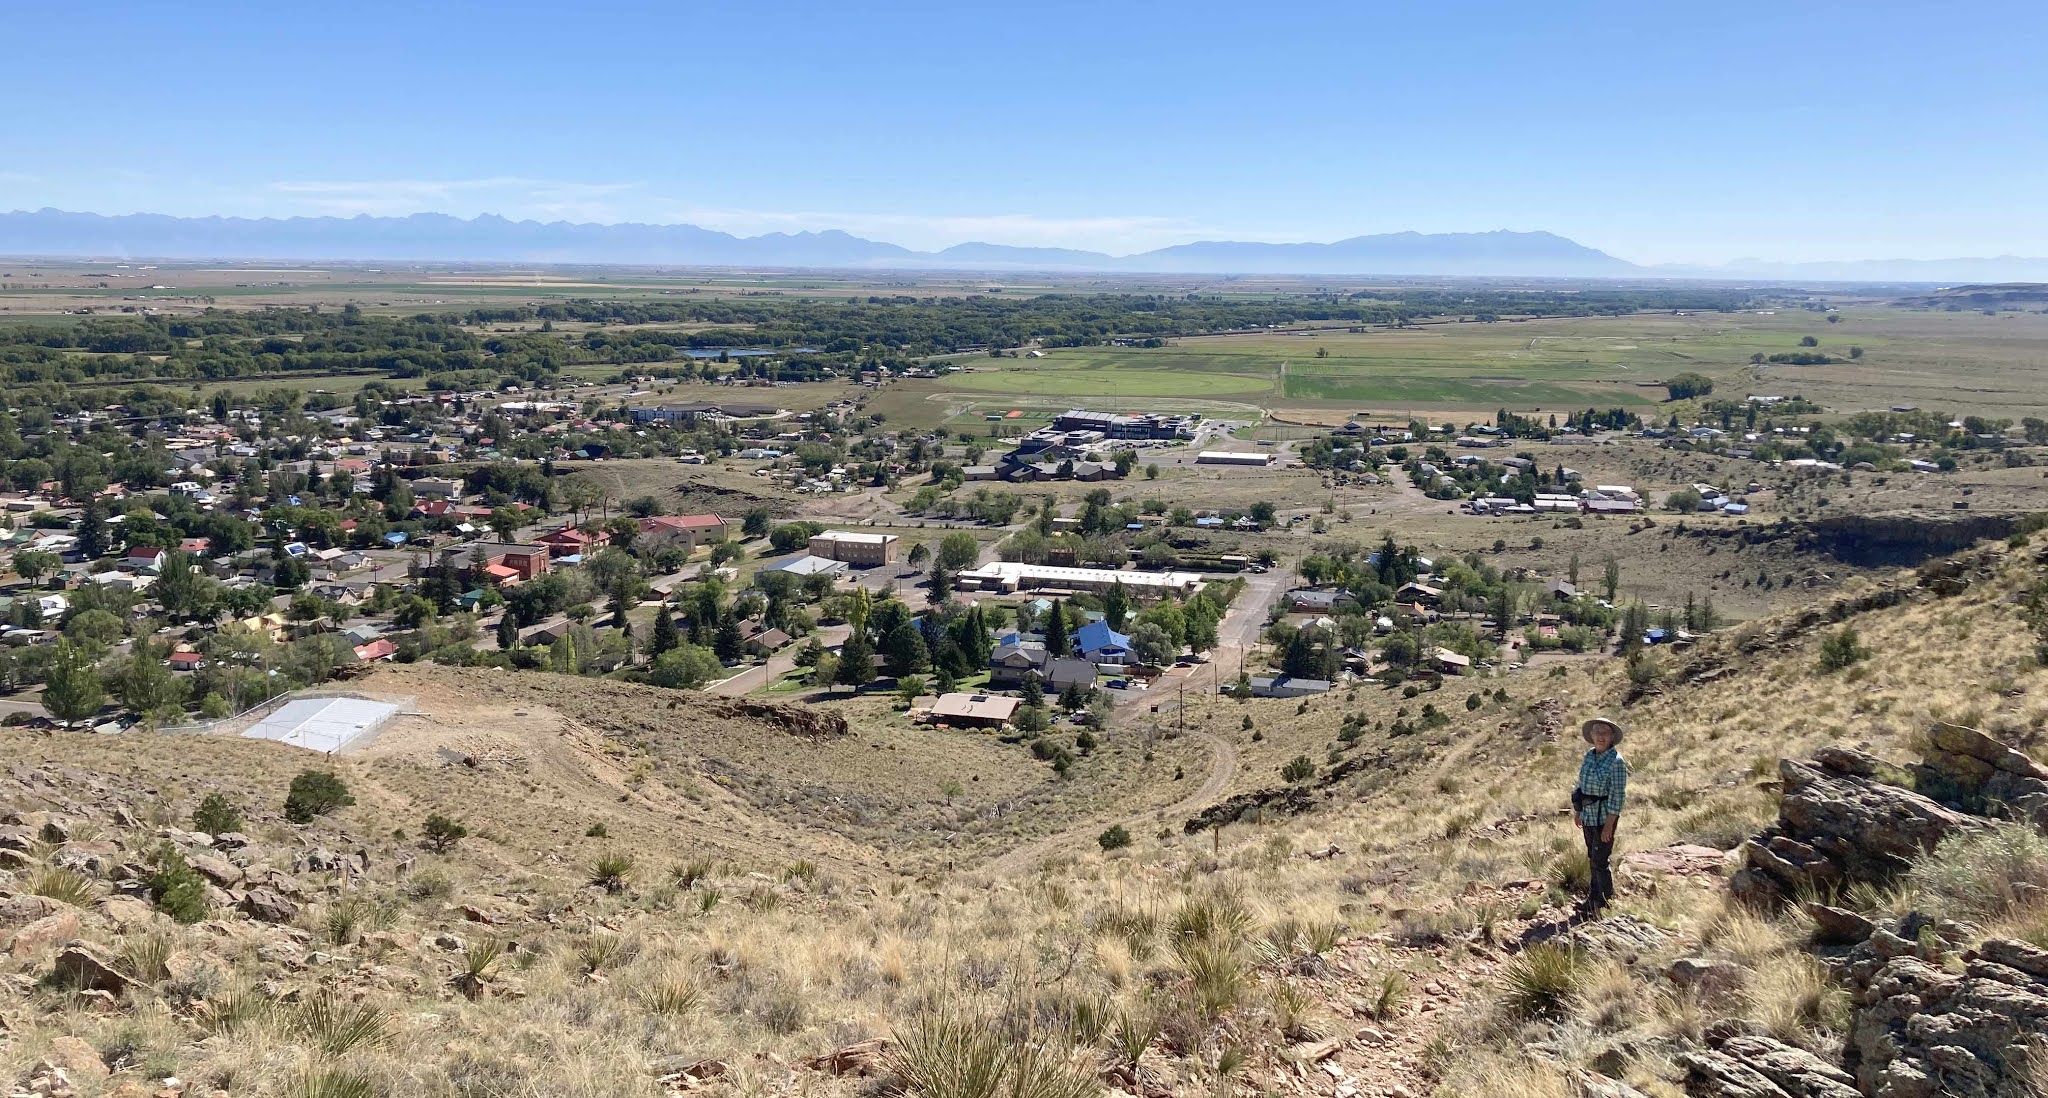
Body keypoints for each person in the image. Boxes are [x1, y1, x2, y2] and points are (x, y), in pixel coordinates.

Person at [1572, 716, 1628, 918]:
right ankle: (1593, 898)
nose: (1600, 736)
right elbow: (1582, 786)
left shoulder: (1616, 763)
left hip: (1604, 818)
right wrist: (1579, 811)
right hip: (1588, 816)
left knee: (1600, 859)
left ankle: (1604, 901)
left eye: (1605, 732)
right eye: (1597, 732)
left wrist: (1609, 826)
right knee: (1592, 857)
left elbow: (1617, 797)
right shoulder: (1589, 756)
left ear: (1612, 736)